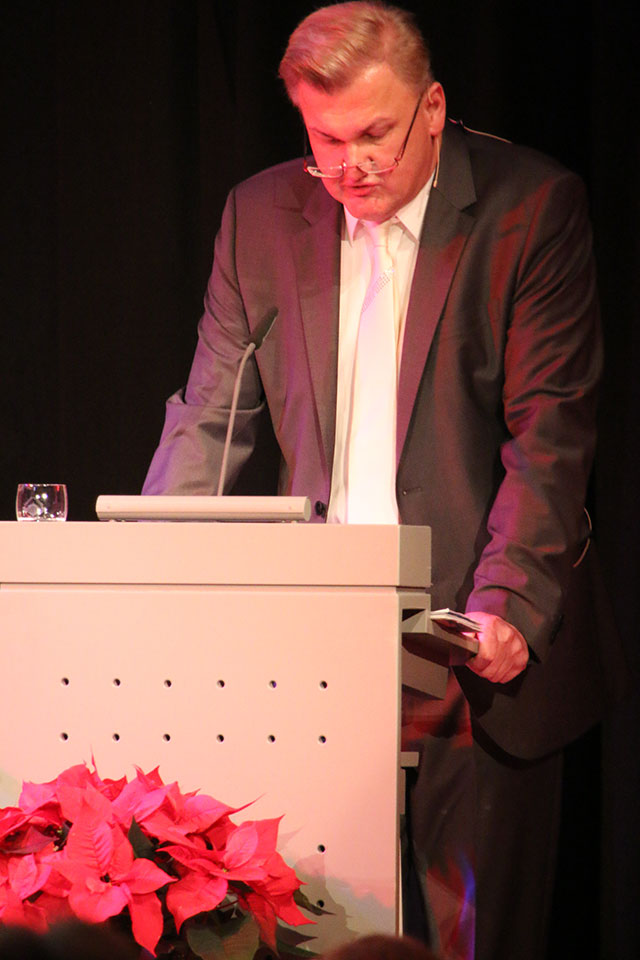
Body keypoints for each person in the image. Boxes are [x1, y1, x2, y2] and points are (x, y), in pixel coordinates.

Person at [143, 3, 628, 958]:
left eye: (376, 135)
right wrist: (146, 576)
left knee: (470, 940)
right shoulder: (260, 216)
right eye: (327, 141)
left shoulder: (530, 209)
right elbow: (210, 415)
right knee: (321, 931)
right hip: (316, 645)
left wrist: (508, 606)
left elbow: (551, 437)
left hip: (471, 644)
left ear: (432, 109)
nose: (352, 166)